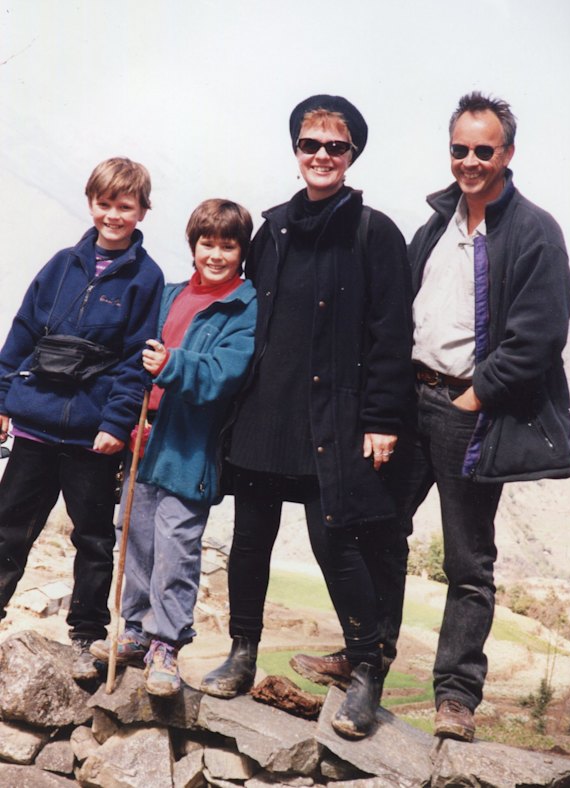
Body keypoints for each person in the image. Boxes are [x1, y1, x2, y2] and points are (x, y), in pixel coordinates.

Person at [292, 91, 570, 743]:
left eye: (483, 149)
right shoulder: (437, 223)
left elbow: (539, 334)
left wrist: (477, 395)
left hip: (470, 412)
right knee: (376, 531)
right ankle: (365, 660)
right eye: (459, 149)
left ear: (508, 153)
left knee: (468, 561)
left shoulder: (533, 232)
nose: (469, 161)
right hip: (408, 400)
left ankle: (456, 696)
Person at [199, 95, 414, 740]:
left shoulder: (376, 234)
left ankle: (366, 674)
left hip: (337, 419)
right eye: (309, 144)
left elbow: (390, 334)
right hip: (268, 408)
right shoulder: (272, 230)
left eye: (335, 147)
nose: (321, 156)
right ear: (295, 152)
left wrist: (382, 419)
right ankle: (241, 654)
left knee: (335, 542)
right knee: (251, 536)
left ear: (352, 156)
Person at [0, 157, 164, 679]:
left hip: (93, 437)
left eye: (125, 206)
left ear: (142, 210)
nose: (113, 215)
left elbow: (136, 361)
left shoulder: (146, 277)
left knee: (93, 538)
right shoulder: (61, 264)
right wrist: (1, 400)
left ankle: (87, 634)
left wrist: (116, 425)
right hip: (34, 424)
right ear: (91, 203)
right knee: (8, 529)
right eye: (104, 203)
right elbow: (22, 333)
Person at [90, 199, 257, 696]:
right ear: (194, 245)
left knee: (176, 545)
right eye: (208, 243)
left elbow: (225, 374)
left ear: (242, 251)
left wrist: (172, 364)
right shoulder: (168, 295)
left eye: (229, 245)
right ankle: (138, 633)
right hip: (145, 437)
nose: (217, 254)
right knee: (135, 533)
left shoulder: (244, 307)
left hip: (190, 446)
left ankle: (166, 643)